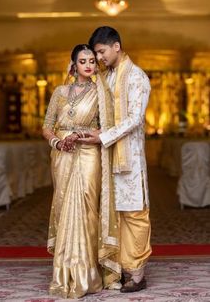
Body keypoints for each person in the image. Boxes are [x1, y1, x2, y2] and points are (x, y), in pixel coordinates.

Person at [42, 44, 120, 299]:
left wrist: (82, 134)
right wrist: (57, 141)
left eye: (91, 61)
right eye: (82, 61)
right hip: (62, 155)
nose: (88, 65)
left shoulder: (101, 92)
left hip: (87, 153)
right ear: (73, 64)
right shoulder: (60, 92)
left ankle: (88, 272)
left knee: (87, 206)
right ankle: (64, 273)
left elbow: (108, 126)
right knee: (65, 206)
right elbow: (47, 126)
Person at [78, 26, 152, 293]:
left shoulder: (137, 78)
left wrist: (103, 136)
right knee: (113, 214)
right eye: (96, 53)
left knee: (134, 214)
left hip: (129, 158)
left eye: (101, 51)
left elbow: (134, 119)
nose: (98, 57)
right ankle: (116, 270)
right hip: (107, 157)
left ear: (116, 46)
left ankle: (138, 273)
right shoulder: (106, 77)